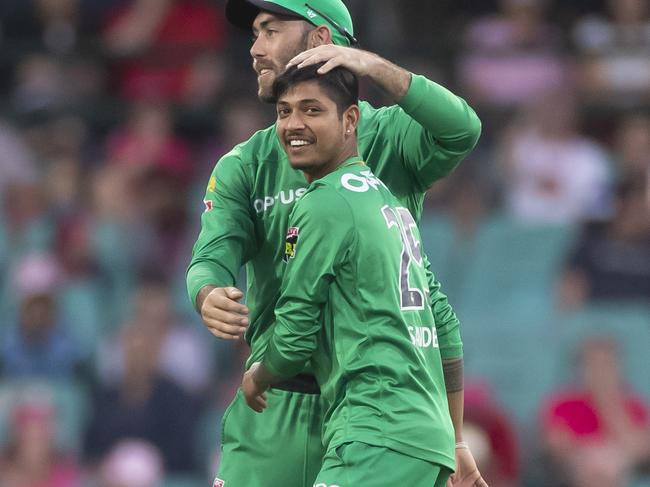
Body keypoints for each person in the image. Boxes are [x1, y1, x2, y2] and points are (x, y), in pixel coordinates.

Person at [186, 0, 483, 485]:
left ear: (322, 41)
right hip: (279, 406)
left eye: (270, 31)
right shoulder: (244, 163)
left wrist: (374, 66)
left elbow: (463, 128)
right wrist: (207, 292)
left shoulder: (388, 133)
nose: (255, 49)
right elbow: (210, 257)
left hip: (368, 405)